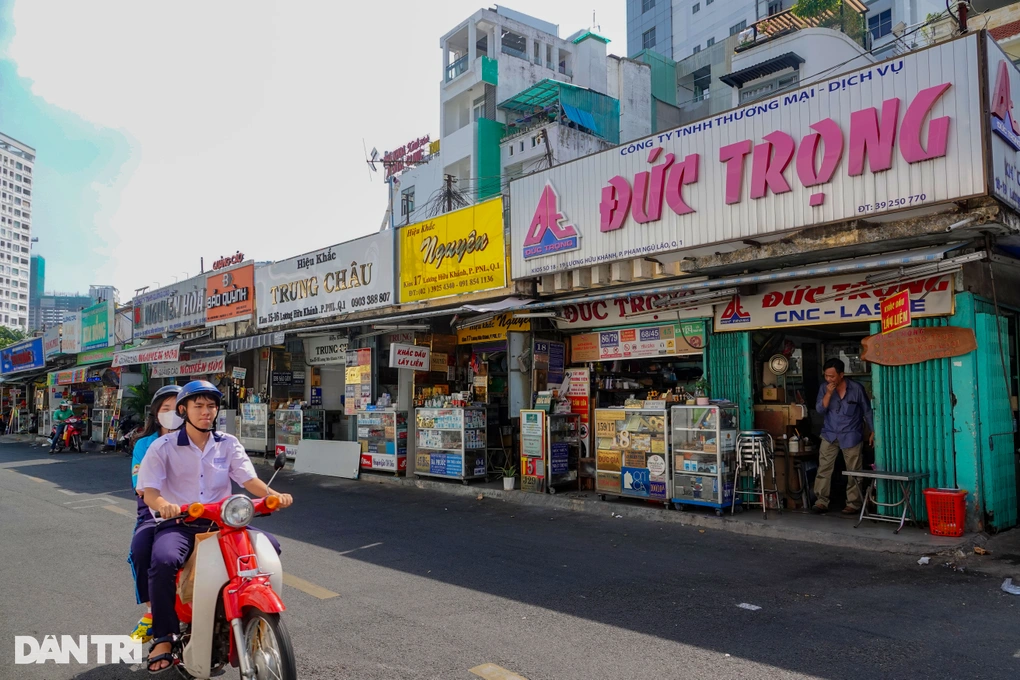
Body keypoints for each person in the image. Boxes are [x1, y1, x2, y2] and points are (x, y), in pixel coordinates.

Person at [136, 380, 293, 674]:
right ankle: (164, 637)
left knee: (271, 546)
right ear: (183, 410)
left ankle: (250, 615)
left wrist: (274, 497)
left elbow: (248, 480)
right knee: (163, 560)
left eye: (211, 406)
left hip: (225, 523)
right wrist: (164, 506)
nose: (206, 412)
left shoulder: (228, 443)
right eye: (199, 406)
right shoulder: (162, 447)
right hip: (181, 524)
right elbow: (150, 493)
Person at [126, 385, 182, 644]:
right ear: (156, 413)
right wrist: (161, 503)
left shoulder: (198, 439)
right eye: (165, 408)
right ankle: (151, 610)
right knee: (141, 549)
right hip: (153, 509)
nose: (172, 414)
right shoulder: (145, 444)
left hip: (193, 508)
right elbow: (141, 485)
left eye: (177, 409)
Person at [811, 358, 875, 515]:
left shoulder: (856, 388)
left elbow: (867, 411)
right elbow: (820, 409)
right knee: (824, 469)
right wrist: (828, 393)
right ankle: (821, 501)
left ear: (841, 374)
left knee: (854, 470)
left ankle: (853, 503)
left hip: (851, 434)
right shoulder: (823, 388)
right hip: (829, 434)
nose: (829, 379)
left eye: (832, 376)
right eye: (826, 376)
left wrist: (873, 431)